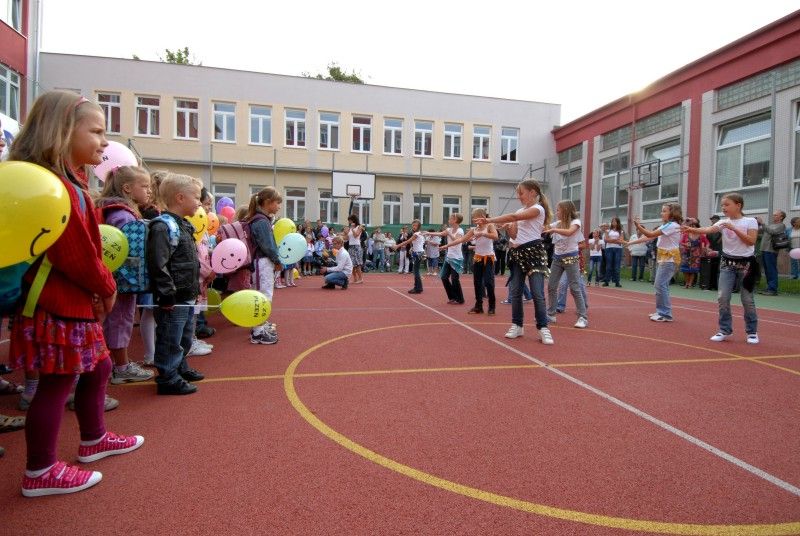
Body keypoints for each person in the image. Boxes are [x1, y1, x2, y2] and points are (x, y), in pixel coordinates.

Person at [9, 91, 144, 497]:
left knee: (99, 367)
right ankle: (40, 470)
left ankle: (93, 439)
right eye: (97, 131)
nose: (105, 142)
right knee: (56, 383)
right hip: (59, 302)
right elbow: (78, 255)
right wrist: (106, 286)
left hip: (69, 301)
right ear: (63, 132)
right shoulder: (60, 189)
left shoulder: (69, 183)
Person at [95, 166, 155, 385]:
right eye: (145, 186)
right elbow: (126, 251)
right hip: (122, 279)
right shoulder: (123, 216)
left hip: (110, 277)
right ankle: (121, 366)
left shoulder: (111, 210)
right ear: (128, 188)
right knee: (121, 319)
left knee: (114, 319)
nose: (149, 191)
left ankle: (115, 364)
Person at [147, 173, 206, 395]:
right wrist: (166, 292)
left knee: (183, 335)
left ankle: (179, 366)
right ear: (180, 198)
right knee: (170, 337)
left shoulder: (183, 225)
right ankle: (168, 377)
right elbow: (158, 263)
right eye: (196, 197)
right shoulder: (163, 227)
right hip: (174, 295)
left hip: (186, 293)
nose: (199, 203)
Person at [476, 179, 553, 344]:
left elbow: (514, 216)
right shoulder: (521, 210)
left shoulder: (538, 209)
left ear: (533, 192)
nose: (519, 197)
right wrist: (508, 226)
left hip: (534, 253)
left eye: (521, 193)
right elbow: (515, 235)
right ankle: (517, 325)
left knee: (538, 293)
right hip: (517, 253)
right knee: (516, 291)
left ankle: (543, 327)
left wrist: (490, 220)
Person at [683, 193, 760, 344]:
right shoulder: (722, 223)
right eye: (722, 205)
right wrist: (691, 229)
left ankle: (752, 332)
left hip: (747, 265)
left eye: (727, 204)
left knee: (747, 299)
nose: (723, 208)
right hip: (727, 264)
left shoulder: (750, 221)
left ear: (738, 205)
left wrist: (734, 228)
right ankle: (724, 329)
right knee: (723, 297)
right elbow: (709, 229)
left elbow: (751, 241)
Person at [627, 203, 682, 322]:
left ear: (672, 213)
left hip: (669, 258)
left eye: (664, 211)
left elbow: (650, 234)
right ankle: (661, 311)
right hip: (663, 257)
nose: (661, 213)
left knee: (660, 285)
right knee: (662, 285)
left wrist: (638, 226)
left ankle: (665, 313)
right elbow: (649, 238)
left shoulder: (672, 225)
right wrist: (630, 243)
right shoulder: (666, 225)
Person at [440, 209, 497, 314]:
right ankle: (478, 306)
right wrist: (447, 246)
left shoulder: (489, 226)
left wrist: (483, 234)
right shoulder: (474, 229)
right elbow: (461, 240)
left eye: (474, 217)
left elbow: (495, 236)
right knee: (477, 283)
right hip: (478, 258)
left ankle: (492, 306)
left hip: (489, 258)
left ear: (481, 216)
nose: (473, 219)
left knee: (489, 282)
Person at [543, 201, 588, 328]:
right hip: (557, 259)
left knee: (574, 288)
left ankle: (582, 317)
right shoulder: (557, 223)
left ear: (566, 210)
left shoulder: (576, 222)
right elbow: (544, 228)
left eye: (558, 210)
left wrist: (553, 229)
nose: (556, 212)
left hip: (571, 259)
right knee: (551, 286)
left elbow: (569, 232)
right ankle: (551, 314)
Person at [247, 187, 282, 345]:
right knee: (263, 296)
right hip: (262, 262)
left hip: (262, 262)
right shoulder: (261, 221)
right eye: (277, 203)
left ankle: (260, 323)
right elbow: (268, 246)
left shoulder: (261, 219)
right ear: (268, 203)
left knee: (264, 294)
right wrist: (277, 260)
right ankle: (257, 331)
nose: (279, 206)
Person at [429, 214, 466, 304]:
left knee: (454, 279)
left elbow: (456, 241)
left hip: (457, 258)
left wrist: (449, 233)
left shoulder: (460, 231)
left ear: (455, 220)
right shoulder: (449, 229)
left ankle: (460, 299)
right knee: (444, 277)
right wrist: (428, 233)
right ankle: (452, 297)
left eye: (450, 219)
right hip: (449, 258)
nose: (448, 220)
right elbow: (440, 233)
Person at [758, 210, 787, 296]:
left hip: (771, 250)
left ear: (781, 217)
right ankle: (769, 288)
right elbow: (764, 232)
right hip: (764, 249)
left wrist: (762, 223)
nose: (773, 216)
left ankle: (773, 289)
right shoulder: (771, 225)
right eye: (774, 215)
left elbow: (772, 231)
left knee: (771, 269)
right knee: (767, 270)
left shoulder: (781, 225)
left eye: (775, 215)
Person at [393, 219, 425, 294]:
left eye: (415, 225)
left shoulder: (416, 234)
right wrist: (412, 248)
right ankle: (418, 287)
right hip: (418, 252)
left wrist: (397, 245)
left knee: (415, 271)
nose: (413, 227)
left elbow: (408, 241)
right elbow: (418, 243)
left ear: (419, 226)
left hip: (418, 253)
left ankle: (418, 288)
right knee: (415, 271)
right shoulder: (419, 233)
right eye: (413, 225)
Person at [679, 218, 708, 289]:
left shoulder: (701, 235)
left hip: (696, 254)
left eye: (694, 226)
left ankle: (690, 284)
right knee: (685, 269)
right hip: (686, 253)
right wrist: (685, 244)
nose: (692, 227)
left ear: (697, 227)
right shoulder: (686, 234)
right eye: (691, 226)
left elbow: (707, 243)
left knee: (693, 270)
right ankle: (686, 283)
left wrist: (705, 248)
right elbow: (680, 242)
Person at [603, 217, 625, 287]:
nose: (614, 223)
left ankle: (617, 282)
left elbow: (621, 241)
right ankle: (606, 281)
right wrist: (616, 240)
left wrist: (611, 240)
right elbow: (606, 240)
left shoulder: (621, 231)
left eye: (615, 221)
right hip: (609, 249)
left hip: (618, 249)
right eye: (613, 221)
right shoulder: (608, 231)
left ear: (618, 223)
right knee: (608, 266)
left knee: (617, 266)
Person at [346, 215, 365, 284]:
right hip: (350, 247)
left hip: (356, 246)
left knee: (357, 264)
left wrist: (352, 228)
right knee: (352, 264)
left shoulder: (359, 227)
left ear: (353, 220)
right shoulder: (350, 228)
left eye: (350, 220)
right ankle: (355, 279)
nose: (349, 222)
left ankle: (360, 279)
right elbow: (348, 238)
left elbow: (356, 235)